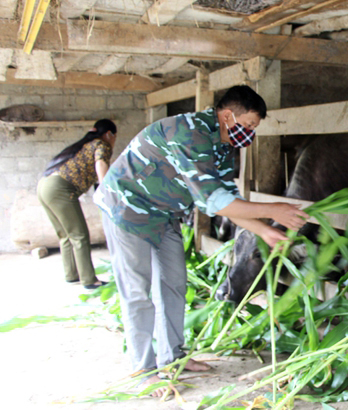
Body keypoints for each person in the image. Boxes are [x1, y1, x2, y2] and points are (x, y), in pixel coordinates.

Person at [94, 85, 308, 397]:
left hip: (164, 213)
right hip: (127, 210)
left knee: (174, 283)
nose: (249, 133)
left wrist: (265, 230)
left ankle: (173, 357)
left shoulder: (221, 145)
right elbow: (215, 203)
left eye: (254, 128)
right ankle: (143, 370)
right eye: (248, 125)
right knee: (138, 291)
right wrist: (274, 209)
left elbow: (228, 201)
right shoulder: (189, 133)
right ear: (227, 115)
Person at [37, 119, 117, 290]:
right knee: (79, 235)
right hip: (60, 189)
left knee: (65, 235)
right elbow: (101, 164)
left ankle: (71, 275)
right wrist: (107, 192)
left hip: (44, 186)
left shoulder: (85, 144)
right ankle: (89, 280)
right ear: (109, 134)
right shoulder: (101, 144)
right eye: (114, 137)